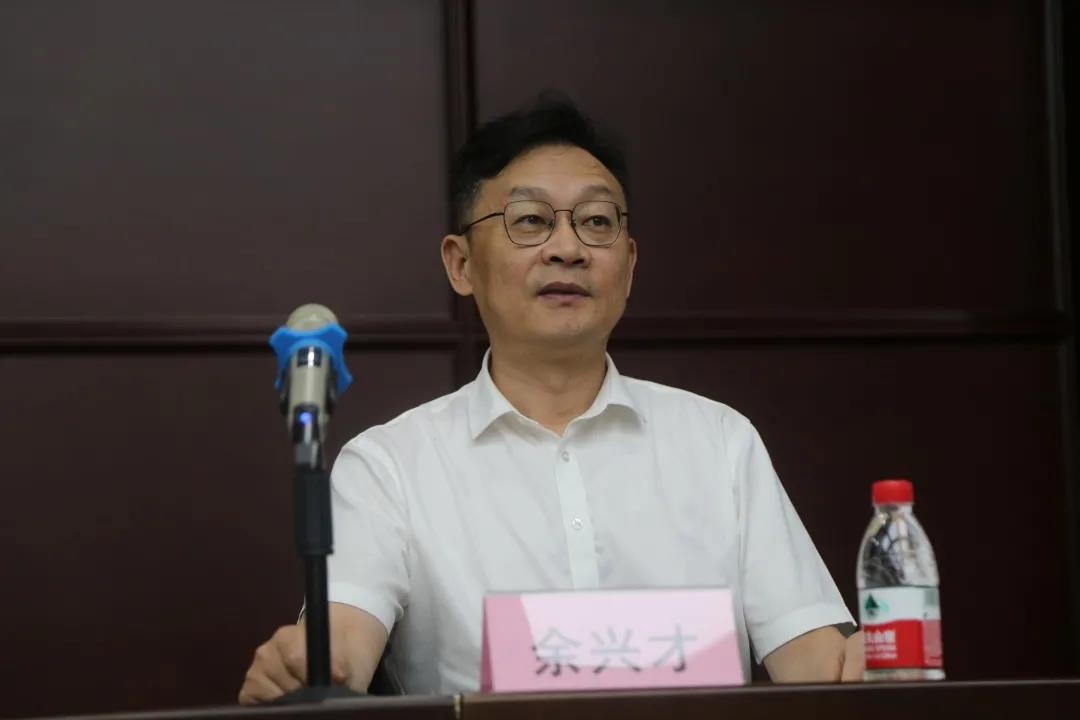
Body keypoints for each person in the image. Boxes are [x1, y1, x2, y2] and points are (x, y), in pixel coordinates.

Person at [238, 98, 863, 703]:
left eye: (597, 222)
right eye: (531, 220)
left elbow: (816, 663)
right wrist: (308, 665)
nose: (568, 248)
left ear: (629, 265)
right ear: (461, 264)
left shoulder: (718, 441)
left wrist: (867, 662)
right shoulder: (390, 466)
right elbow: (342, 645)